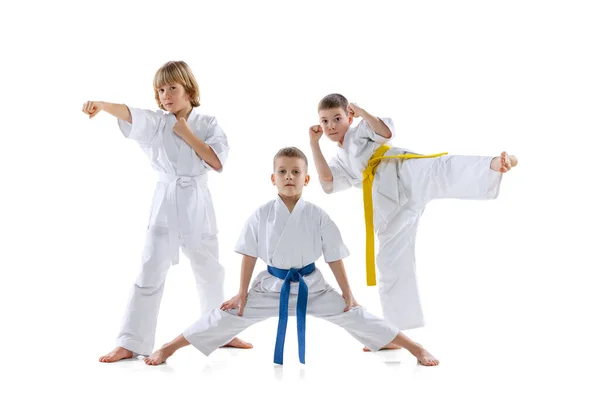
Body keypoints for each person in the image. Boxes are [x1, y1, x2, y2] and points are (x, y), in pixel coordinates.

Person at [143, 147, 439, 366]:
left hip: (313, 287)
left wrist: (349, 294)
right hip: (271, 287)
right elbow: (248, 254)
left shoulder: (317, 215)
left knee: (359, 316)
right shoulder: (262, 215)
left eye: (296, 172)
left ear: (306, 179)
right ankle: (169, 347)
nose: (289, 177)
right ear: (273, 178)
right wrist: (242, 293)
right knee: (222, 317)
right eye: (283, 172)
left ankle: (415, 348)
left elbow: (334, 257)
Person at [309, 93, 518, 347]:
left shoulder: (362, 129)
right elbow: (328, 183)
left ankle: (494, 165)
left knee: (439, 169)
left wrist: (362, 111)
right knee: (389, 262)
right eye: (325, 121)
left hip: (401, 170)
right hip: (387, 202)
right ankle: (394, 333)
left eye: (337, 118)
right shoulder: (339, 159)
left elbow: (386, 133)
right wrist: (314, 144)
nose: (331, 126)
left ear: (349, 117)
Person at [82, 60, 251, 363]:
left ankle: (221, 332)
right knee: (149, 270)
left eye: (172, 87)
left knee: (209, 270)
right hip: (165, 203)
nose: (166, 95)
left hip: (197, 203)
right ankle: (131, 342)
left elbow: (216, 162)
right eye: (160, 90)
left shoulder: (208, 123)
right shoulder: (157, 123)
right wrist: (102, 105)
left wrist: (186, 133)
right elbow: (130, 112)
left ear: (189, 89)